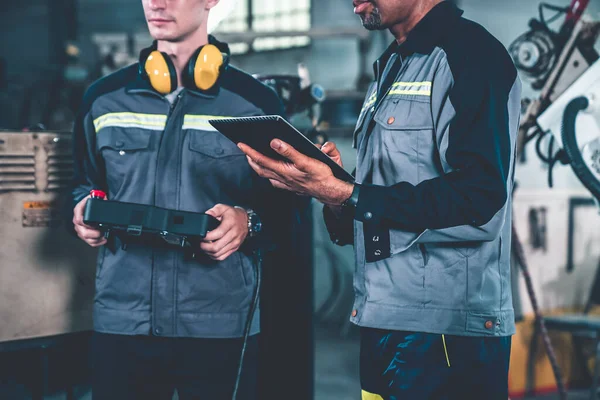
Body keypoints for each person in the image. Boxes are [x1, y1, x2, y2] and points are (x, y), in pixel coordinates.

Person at [239, 0, 521, 399]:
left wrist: (348, 192)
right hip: (382, 317)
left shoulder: (470, 55)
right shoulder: (392, 65)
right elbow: (380, 199)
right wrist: (329, 192)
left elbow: (480, 200)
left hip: (445, 331)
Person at [68, 0, 286, 398]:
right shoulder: (103, 99)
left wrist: (247, 220)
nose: (156, 2)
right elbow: (84, 181)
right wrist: (82, 207)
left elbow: (289, 209)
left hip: (217, 323)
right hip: (122, 321)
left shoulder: (255, 104)